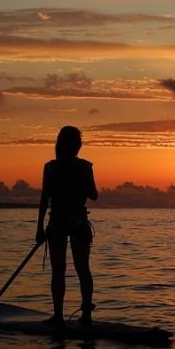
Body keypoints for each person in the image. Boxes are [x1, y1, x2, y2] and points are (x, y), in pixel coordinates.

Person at [36, 125, 98, 326]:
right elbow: (94, 195)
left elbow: (45, 199)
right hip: (71, 222)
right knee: (81, 269)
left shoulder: (51, 167)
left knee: (60, 270)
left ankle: (59, 316)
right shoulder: (84, 167)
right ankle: (84, 316)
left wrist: (39, 227)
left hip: (61, 222)